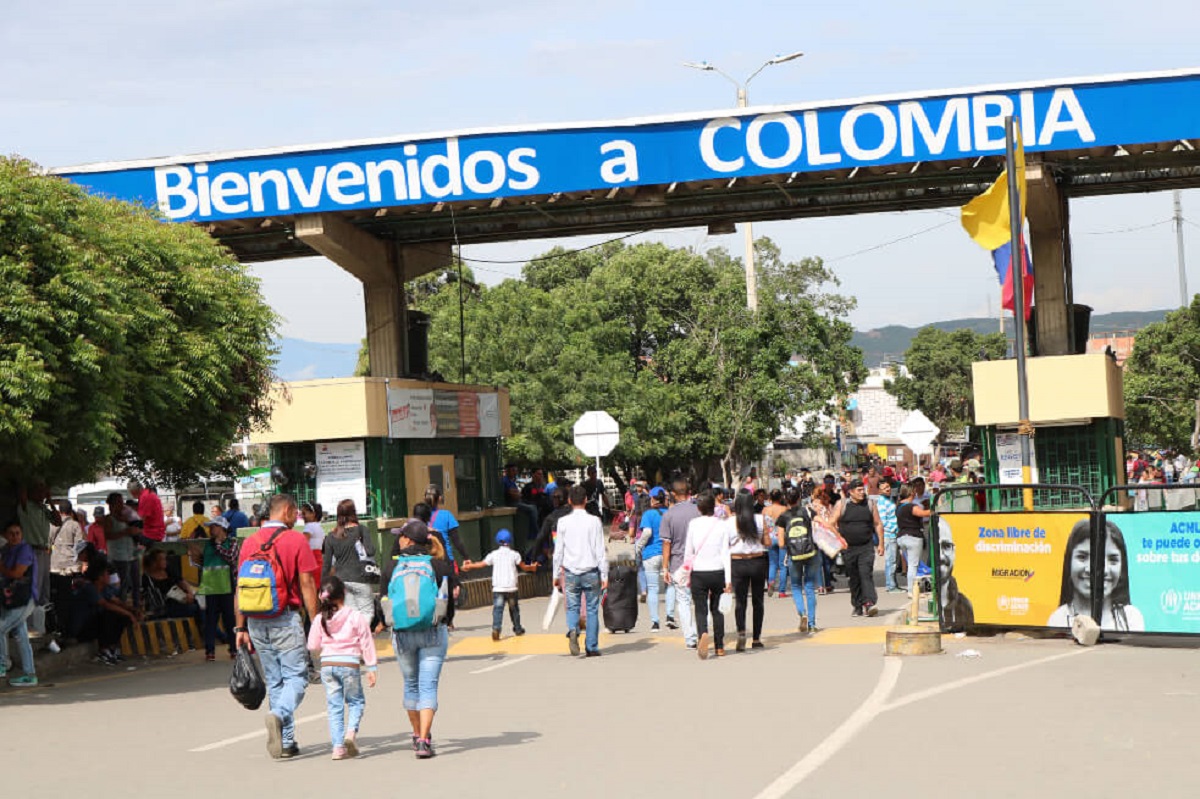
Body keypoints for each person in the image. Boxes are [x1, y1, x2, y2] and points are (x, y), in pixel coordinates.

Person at [234, 493, 319, 760]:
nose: (298, 518)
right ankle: (278, 715)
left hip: (256, 621)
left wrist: (240, 629)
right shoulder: (295, 540)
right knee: (297, 677)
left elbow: (240, 588)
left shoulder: (249, 542)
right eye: (296, 513)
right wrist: (316, 622)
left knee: (276, 681)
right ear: (287, 511)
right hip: (285, 617)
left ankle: (286, 742)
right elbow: (307, 585)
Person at [380, 518, 456, 759]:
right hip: (433, 631)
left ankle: (415, 734)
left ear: (408, 540)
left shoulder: (391, 568)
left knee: (411, 684)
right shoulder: (439, 566)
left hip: (402, 635)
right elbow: (449, 602)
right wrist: (448, 619)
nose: (397, 540)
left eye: (400, 536)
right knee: (428, 686)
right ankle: (424, 739)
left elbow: (383, 601)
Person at [308, 575, 378, 760]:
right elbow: (366, 642)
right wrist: (371, 667)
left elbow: (312, 645)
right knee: (356, 701)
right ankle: (350, 735)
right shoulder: (355, 616)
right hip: (349, 664)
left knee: (334, 706)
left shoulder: (319, 618)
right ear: (344, 593)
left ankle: (338, 748)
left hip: (327, 665)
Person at [1048, 520, 1144, 631]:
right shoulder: (1057, 620)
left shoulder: (1131, 618)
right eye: (1082, 557)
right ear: (1069, 561)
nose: (1099, 570)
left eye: (1113, 559)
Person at [553, 484, 609, 658]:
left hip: (570, 571)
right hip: (591, 570)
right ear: (586, 500)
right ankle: (591, 646)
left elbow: (559, 551)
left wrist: (555, 574)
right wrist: (604, 574)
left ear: (569, 501)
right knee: (592, 609)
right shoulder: (594, 521)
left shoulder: (562, 522)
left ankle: (573, 629)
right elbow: (600, 549)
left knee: (573, 607)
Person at [461, 528, 538, 640]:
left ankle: (496, 629)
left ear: (497, 541)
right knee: (514, 609)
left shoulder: (494, 554)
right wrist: (532, 567)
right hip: (511, 587)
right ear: (510, 541)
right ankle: (517, 629)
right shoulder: (515, 554)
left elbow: (481, 564)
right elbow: (524, 567)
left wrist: (469, 566)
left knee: (498, 609)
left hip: (498, 588)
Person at [685, 491, 732, 660]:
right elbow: (726, 553)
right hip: (718, 571)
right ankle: (719, 646)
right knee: (717, 610)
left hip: (698, 571)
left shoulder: (693, 524)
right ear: (714, 507)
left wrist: (686, 571)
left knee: (700, 608)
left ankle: (703, 634)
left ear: (699, 508)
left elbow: (688, 552)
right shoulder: (722, 525)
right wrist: (728, 579)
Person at [68, 556, 140, 665]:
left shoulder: (104, 589)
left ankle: (113, 647)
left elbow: (117, 602)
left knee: (120, 616)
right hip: (81, 629)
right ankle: (104, 649)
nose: (109, 577)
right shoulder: (90, 588)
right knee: (109, 615)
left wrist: (133, 611)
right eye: (106, 574)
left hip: (94, 624)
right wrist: (130, 614)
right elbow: (106, 605)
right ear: (100, 577)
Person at [832, 479, 884, 617]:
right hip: (848, 548)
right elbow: (831, 524)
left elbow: (878, 524)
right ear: (851, 492)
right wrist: (839, 538)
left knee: (865, 574)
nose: (862, 492)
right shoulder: (842, 505)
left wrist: (881, 544)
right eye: (859, 490)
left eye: (863, 489)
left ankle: (869, 603)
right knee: (854, 577)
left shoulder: (870, 504)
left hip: (866, 546)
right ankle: (857, 605)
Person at [320, 499, 377, 623]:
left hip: (341, 582)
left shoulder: (331, 536)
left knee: (350, 614)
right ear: (354, 512)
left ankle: (352, 638)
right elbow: (371, 551)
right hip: (360, 578)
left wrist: (322, 587)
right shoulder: (362, 530)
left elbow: (326, 565)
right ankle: (362, 636)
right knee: (366, 613)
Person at [191, 517, 239, 661]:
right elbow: (201, 563)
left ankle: (234, 649)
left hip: (227, 587)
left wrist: (218, 546)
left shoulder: (232, 543)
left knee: (229, 620)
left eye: (213, 527)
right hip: (211, 588)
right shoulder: (207, 545)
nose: (211, 530)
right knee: (210, 621)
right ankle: (209, 651)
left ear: (222, 528)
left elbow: (231, 557)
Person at [728, 490, 770, 650]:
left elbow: (725, 546)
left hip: (738, 563)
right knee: (758, 601)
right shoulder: (760, 519)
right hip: (758, 562)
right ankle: (757, 639)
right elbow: (767, 542)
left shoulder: (730, 522)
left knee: (740, 601)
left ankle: (741, 633)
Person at [0, 521, 40, 686]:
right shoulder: (6, 550)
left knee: (1, 629)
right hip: (12, 600)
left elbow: (17, 573)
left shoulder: (24, 550)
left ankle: (2, 665)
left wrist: (1, 567)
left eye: (17, 533)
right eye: (11, 533)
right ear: (5, 535)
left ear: (22, 534)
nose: (15, 536)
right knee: (22, 637)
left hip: (25, 599)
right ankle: (30, 674)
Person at [660, 478, 699, 644]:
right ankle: (701, 630)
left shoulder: (669, 515)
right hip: (699, 562)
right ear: (689, 492)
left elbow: (666, 544)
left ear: (673, 495)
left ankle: (690, 637)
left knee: (683, 600)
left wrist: (665, 568)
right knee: (701, 599)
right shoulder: (699, 510)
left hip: (678, 564)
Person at [778, 486, 821, 633]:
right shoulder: (808, 511)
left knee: (796, 586)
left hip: (794, 555)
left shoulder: (783, 517)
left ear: (786, 500)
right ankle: (812, 623)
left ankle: (802, 613)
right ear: (799, 498)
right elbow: (823, 523)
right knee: (809, 586)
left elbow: (781, 543)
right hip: (810, 553)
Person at [16, 484, 52, 618]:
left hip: (44, 550)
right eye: (40, 491)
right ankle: (28, 618)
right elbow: (23, 495)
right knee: (34, 584)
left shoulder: (44, 509)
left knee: (44, 585)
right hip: (32, 549)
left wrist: (51, 502)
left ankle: (42, 618)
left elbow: (58, 521)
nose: (43, 494)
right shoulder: (26, 507)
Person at [635, 487, 667, 631]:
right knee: (670, 586)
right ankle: (670, 616)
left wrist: (639, 546)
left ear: (653, 499)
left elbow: (647, 532)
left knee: (653, 588)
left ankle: (655, 622)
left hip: (651, 554)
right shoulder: (669, 513)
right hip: (668, 553)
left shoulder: (648, 514)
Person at [101, 492, 140, 607]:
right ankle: (121, 607)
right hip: (118, 556)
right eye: (119, 502)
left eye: (122, 501)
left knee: (136, 583)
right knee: (123, 584)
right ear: (112, 504)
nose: (122, 504)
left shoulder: (126, 517)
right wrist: (125, 532)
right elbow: (108, 536)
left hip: (132, 554)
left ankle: (136, 606)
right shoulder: (109, 519)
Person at [935, 518, 974, 632]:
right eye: (937, 547)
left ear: (954, 551)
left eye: (946, 546)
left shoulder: (965, 605)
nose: (941, 556)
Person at [140, 549, 201, 621]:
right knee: (194, 609)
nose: (165, 562)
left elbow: (181, 581)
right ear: (154, 563)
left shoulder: (168, 570)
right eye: (162, 560)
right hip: (164, 607)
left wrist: (189, 593)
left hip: (179, 600)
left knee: (200, 604)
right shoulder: (147, 579)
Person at [426, 484, 470, 575]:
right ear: (440, 498)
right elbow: (457, 541)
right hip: (445, 559)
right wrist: (466, 557)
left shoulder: (421, 517)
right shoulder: (447, 515)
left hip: (426, 562)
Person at [896, 485, 931, 596]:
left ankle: (912, 589)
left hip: (901, 537)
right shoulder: (911, 506)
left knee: (911, 564)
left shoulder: (899, 506)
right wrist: (936, 508)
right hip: (913, 536)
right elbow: (924, 514)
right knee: (913, 565)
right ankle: (912, 591)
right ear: (911, 493)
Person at [876, 478, 902, 593]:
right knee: (891, 561)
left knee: (893, 560)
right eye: (884, 488)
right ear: (879, 491)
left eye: (888, 487)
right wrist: (893, 529)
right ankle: (891, 586)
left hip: (893, 533)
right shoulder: (882, 502)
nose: (887, 489)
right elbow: (882, 521)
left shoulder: (890, 499)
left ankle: (893, 584)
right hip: (889, 534)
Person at [501, 463, 540, 537]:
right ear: (507, 471)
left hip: (519, 502)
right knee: (532, 508)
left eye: (516, 471)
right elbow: (515, 495)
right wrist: (517, 494)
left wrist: (517, 494)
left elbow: (517, 493)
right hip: (511, 503)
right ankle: (534, 532)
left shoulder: (512, 481)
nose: (515, 473)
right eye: (513, 470)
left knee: (534, 507)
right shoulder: (505, 480)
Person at [127, 480, 166, 544]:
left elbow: (141, 518)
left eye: (131, 492)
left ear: (134, 491)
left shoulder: (145, 497)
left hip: (151, 533)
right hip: (156, 531)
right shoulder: (148, 494)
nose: (131, 495)